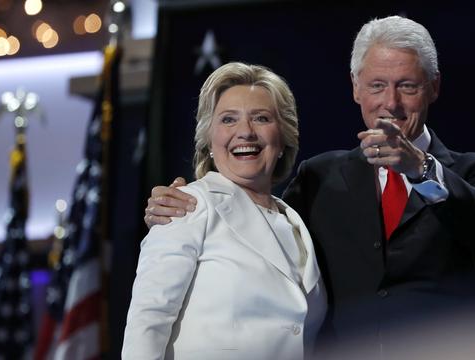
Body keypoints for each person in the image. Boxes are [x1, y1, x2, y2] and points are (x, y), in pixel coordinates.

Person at [144, 16, 475, 356]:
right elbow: (256, 232)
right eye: (377, 86)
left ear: (433, 87)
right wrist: (181, 207)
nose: (391, 102)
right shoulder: (319, 176)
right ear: (356, 89)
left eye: (407, 86)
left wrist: (420, 168)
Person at [123, 62, 327, 359]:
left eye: (261, 118)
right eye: (229, 120)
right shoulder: (188, 205)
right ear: (208, 140)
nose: (245, 132)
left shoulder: (296, 222)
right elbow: (148, 320)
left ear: (283, 138)